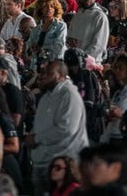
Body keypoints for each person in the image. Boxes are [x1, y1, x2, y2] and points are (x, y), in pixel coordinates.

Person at [27, 61, 89, 194]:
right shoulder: (46, 97)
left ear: (61, 76)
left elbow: (66, 130)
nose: (44, 76)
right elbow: (40, 125)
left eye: (50, 73)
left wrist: (36, 138)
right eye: (44, 73)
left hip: (62, 166)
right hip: (42, 161)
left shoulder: (69, 95)